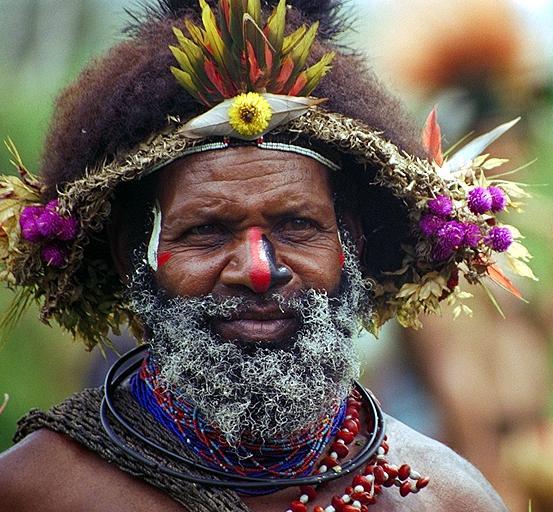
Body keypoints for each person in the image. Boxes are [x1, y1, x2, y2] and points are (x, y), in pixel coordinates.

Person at [0, 1, 530, 510]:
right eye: (207, 230)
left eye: (297, 226)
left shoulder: (445, 498)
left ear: (353, 244)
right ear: (130, 254)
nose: (258, 270)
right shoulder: (34, 493)